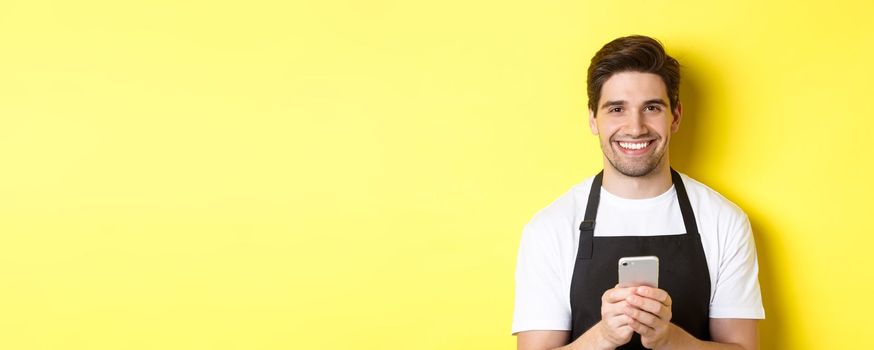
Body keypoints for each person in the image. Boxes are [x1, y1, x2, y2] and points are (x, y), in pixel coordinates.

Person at [512, 35, 765, 350]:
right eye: (617, 108)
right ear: (593, 118)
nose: (635, 127)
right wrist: (603, 336)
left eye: (652, 107)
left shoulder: (723, 221)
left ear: (675, 116)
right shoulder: (550, 228)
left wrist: (669, 339)